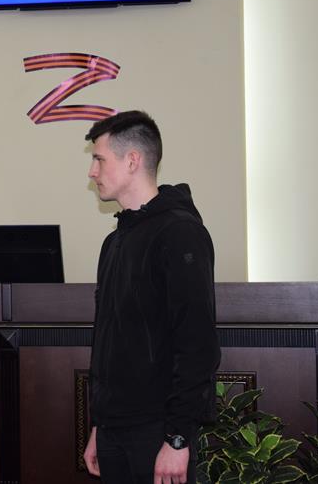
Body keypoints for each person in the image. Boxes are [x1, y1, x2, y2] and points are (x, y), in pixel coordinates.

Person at [81, 111, 220, 484]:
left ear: (132, 161)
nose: (92, 172)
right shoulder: (114, 241)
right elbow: (108, 341)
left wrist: (178, 438)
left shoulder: (180, 233)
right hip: (114, 430)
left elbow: (197, 344)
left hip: (159, 431)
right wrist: (100, 425)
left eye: (99, 160)